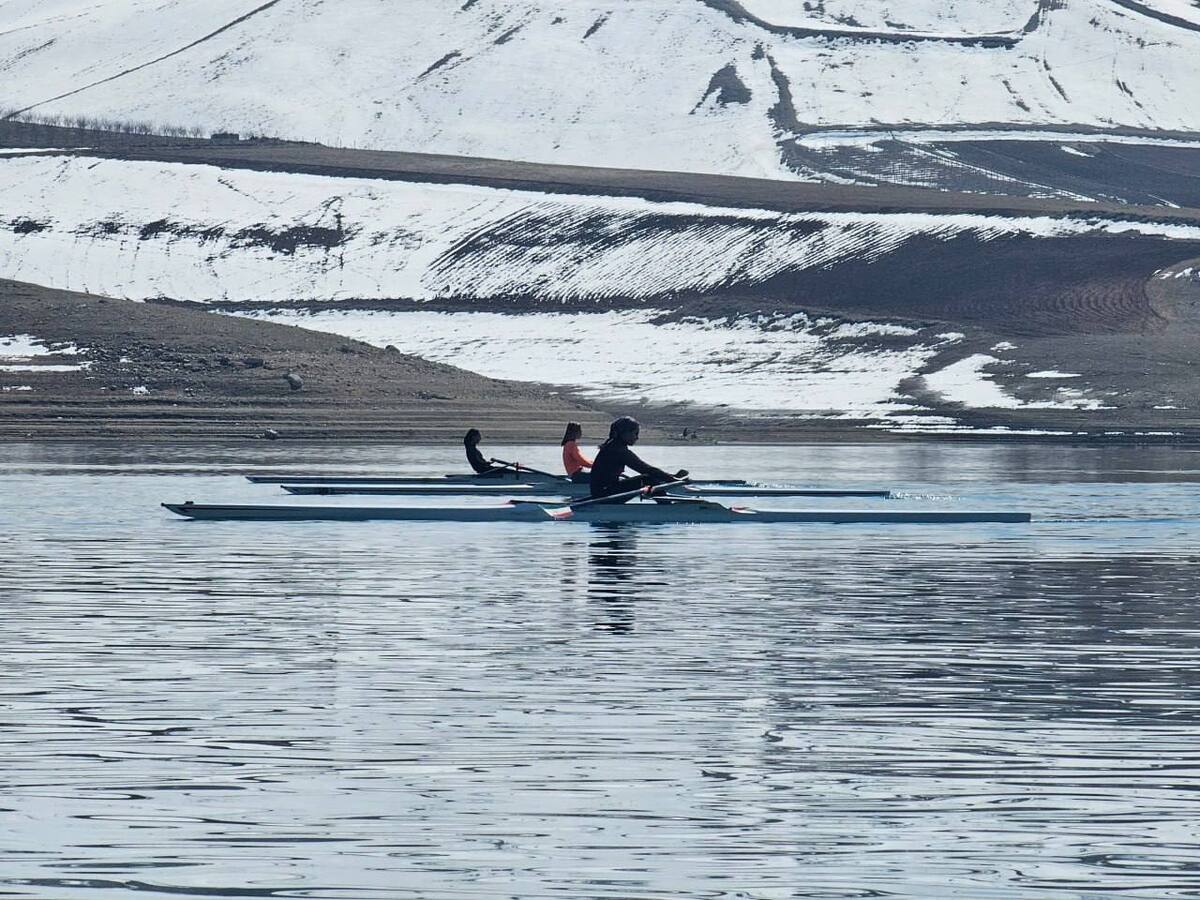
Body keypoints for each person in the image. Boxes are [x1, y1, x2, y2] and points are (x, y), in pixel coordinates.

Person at [589, 416, 688, 502]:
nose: (637, 438)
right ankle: (666, 506)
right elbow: (646, 469)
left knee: (643, 478)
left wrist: (670, 477)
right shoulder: (618, 450)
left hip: (602, 492)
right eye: (635, 433)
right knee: (646, 478)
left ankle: (664, 499)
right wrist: (673, 480)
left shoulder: (614, 445)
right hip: (604, 494)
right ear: (624, 433)